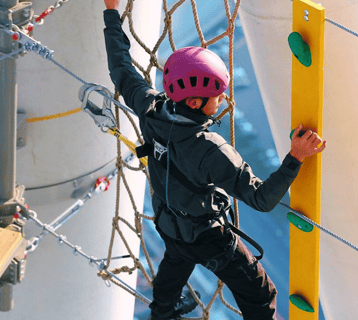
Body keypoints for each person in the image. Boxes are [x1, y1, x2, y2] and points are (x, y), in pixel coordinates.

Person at [102, 1, 327, 319]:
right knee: (261, 297)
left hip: (169, 223)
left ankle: (164, 311)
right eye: (217, 95)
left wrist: (111, 14)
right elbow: (262, 199)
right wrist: (295, 157)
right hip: (208, 237)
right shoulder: (210, 149)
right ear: (195, 101)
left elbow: (121, 69)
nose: (223, 99)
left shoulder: (150, 107)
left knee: (171, 278)